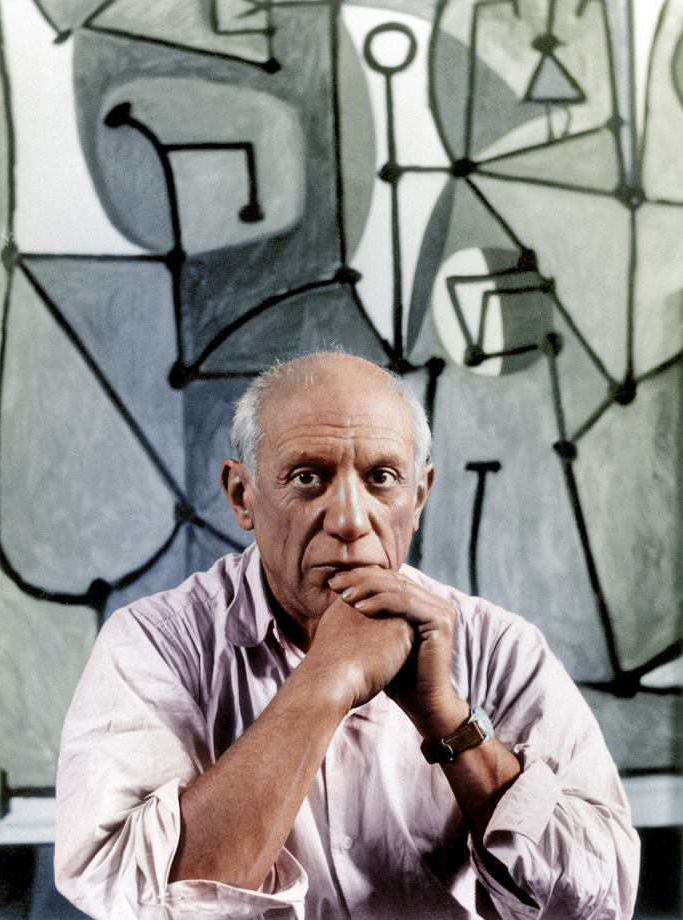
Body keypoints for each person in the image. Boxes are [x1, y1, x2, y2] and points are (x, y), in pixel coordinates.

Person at [55, 352, 639, 920]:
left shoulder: (501, 646)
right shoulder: (154, 645)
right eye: (308, 477)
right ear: (243, 496)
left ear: (418, 498)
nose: (350, 520)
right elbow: (131, 896)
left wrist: (447, 718)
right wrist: (325, 681)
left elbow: (598, 901)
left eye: (382, 478)